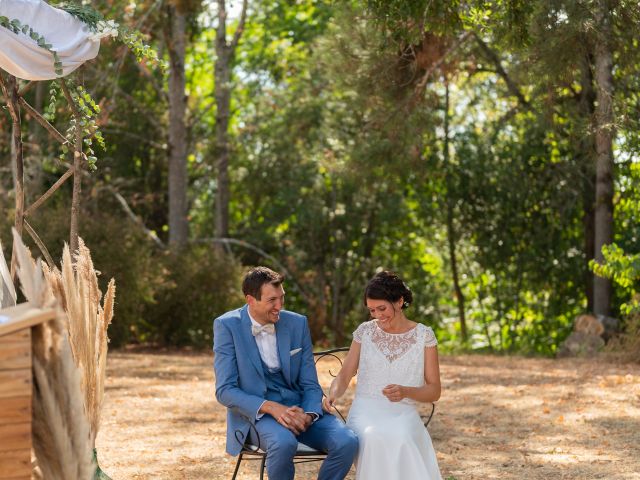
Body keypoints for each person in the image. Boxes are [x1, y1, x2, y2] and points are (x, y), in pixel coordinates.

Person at [214, 266, 358, 480]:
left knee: (347, 441)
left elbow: (310, 383)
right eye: (272, 300)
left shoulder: (297, 323)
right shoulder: (227, 326)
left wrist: (309, 414)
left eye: (282, 298)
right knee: (283, 443)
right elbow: (225, 390)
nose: (279, 306)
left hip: (301, 409)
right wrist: (272, 408)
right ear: (251, 300)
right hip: (259, 415)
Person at [323, 271, 443, 480]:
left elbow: (434, 390)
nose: (378, 315)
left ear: (399, 301)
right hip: (365, 411)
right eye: (372, 310)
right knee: (372, 436)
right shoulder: (365, 332)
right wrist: (332, 394)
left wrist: (406, 391)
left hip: (402, 412)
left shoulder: (424, 335)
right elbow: (344, 375)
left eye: (382, 308)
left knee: (402, 435)